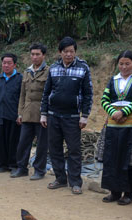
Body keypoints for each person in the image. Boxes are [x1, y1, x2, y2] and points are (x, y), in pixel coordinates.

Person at [40, 36, 93, 195]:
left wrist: (84, 116)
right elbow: (46, 92)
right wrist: (43, 114)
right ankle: (60, 179)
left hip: (73, 117)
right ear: (60, 52)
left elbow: (88, 93)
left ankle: (76, 182)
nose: (69, 54)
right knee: (55, 149)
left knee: (74, 150)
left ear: (75, 52)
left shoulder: (83, 68)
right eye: (65, 51)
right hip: (53, 115)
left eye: (71, 51)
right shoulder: (54, 68)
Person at [96, 50, 132, 205]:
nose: (124, 67)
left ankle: (128, 194)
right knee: (112, 157)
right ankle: (114, 191)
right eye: (121, 63)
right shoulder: (113, 80)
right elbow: (104, 99)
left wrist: (124, 112)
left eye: (128, 64)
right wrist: (114, 112)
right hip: (113, 123)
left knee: (129, 160)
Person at [10, 43, 49, 180]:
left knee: (41, 145)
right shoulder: (27, 72)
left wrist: (46, 113)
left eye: (38, 54)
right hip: (27, 113)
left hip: (41, 114)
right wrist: (20, 113)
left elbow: (49, 94)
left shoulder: (48, 71)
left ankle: (39, 170)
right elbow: (22, 95)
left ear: (43, 56)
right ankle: (22, 168)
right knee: (23, 143)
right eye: (32, 54)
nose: (35, 57)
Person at [0, 53, 23, 174]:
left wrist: (20, 114)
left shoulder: (20, 79)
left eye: (9, 63)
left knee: (14, 141)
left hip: (14, 115)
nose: (6, 65)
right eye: (4, 63)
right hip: (1, 114)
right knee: (1, 142)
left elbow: (22, 97)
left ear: (15, 65)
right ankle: (1, 165)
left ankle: (13, 165)